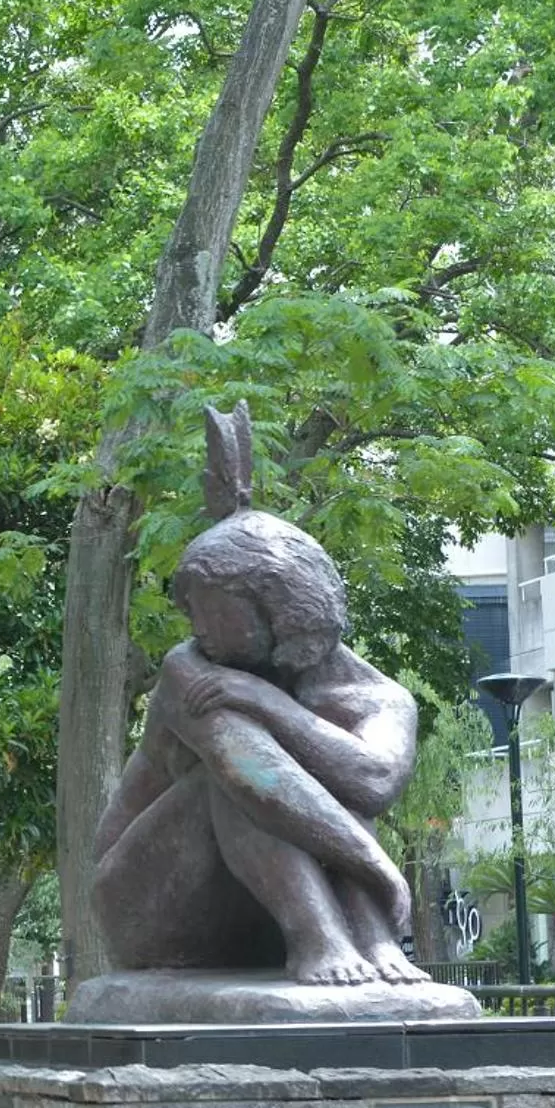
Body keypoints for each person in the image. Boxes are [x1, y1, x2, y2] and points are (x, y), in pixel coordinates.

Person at [90, 403, 427, 986]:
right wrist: (378, 866)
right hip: (146, 902)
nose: (193, 626)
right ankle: (318, 938)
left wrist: (269, 702)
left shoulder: (380, 697)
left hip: (254, 907)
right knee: (233, 781)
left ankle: (370, 940)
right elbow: (253, 773)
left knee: (322, 780)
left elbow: (372, 781)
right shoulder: (188, 671)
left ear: (270, 611)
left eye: (204, 609)